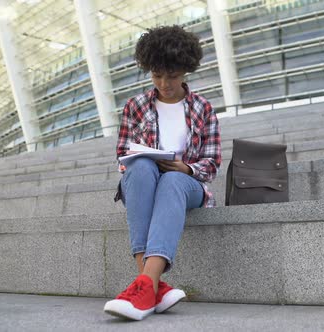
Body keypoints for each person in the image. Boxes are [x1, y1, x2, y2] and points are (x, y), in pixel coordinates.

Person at [103, 25, 221, 321]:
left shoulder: (203, 108)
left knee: (171, 180)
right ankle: (153, 286)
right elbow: (122, 155)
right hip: (145, 182)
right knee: (140, 167)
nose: (164, 83)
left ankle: (143, 285)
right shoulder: (136, 106)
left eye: (172, 75)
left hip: (187, 185)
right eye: (157, 75)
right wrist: (146, 159)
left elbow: (211, 165)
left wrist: (185, 167)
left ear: (185, 71)